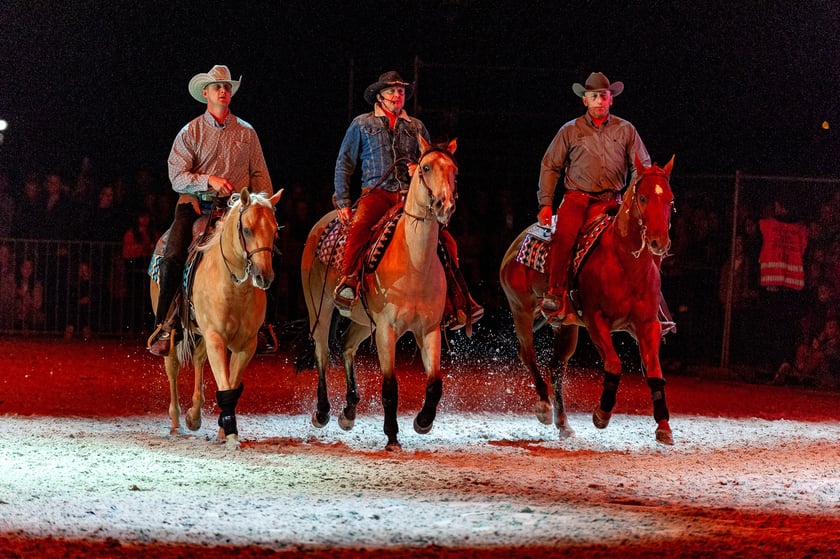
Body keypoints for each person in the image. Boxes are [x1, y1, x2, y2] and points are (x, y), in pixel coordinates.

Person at [332, 70, 483, 329]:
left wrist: (418, 166)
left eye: (400, 91)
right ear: (379, 96)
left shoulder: (416, 126)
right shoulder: (362, 123)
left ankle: (456, 300)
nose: (397, 95)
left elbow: (428, 159)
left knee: (446, 241)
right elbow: (345, 162)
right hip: (376, 193)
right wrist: (343, 201)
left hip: (407, 197)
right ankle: (350, 281)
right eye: (391, 90)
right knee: (359, 228)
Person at [147, 65, 274, 356]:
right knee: (173, 254)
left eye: (227, 87)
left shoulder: (247, 133)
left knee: (263, 251)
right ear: (205, 93)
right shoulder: (190, 131)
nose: (223, 91)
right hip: (194, 205)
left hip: (235, 210)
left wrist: (257, 204)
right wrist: (208, 181)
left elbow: (261, 176)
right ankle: (164, 325)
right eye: (218, 87)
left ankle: (263, 324)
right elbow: (176, 175)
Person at [537, 71, 650, 322]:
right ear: (585, 100)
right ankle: (555, 293)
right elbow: (550, 165)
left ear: (611, 100)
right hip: (578, 198)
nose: (599, 100)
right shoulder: (569, 130)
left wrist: (634, 195)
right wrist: (545, 203)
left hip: (614, 200)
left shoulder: (626, 130)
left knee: (642, 239)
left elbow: (641, 166)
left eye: (604, 96)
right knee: (564, 236)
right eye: (594, 96)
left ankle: (651, 302)